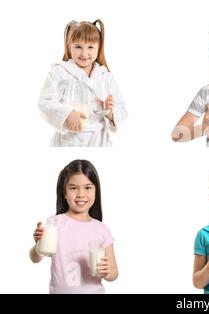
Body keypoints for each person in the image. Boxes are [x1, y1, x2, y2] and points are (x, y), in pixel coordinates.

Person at [30, 159, 118, 293]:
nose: (81, 194)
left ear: (96, 191)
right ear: (64, 193)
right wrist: (38, 245)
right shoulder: (55, 223)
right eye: (73, 188)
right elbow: (35, 259)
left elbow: (114, 273)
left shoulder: (102, 229)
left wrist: (107, 272)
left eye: (88, 188)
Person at [38, 20, 127, 146]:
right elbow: (45, 102)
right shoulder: (59, 72)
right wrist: (67, 114)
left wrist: (110, 112)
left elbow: (121, 109)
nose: (84, 54)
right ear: (69, 46)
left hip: (98, 141)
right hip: (68, 141)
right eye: (78, 47)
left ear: (99, 47)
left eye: (90, 47)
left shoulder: (105, 77)